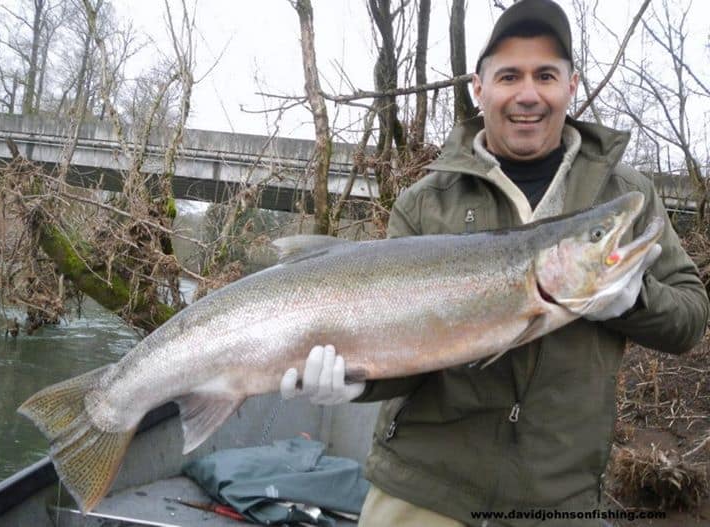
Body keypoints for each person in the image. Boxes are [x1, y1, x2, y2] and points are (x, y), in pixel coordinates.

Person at [280, 0, 709, 525]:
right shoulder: (424, 201)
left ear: (571, 86)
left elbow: (690, 317)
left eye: (545, 75)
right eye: (509, 76)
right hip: (423, 490)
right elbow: (408, 364)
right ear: (479, 89)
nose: (528, 94)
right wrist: (357, 380)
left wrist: (632, 300)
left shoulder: (628, 194)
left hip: (560, 501)